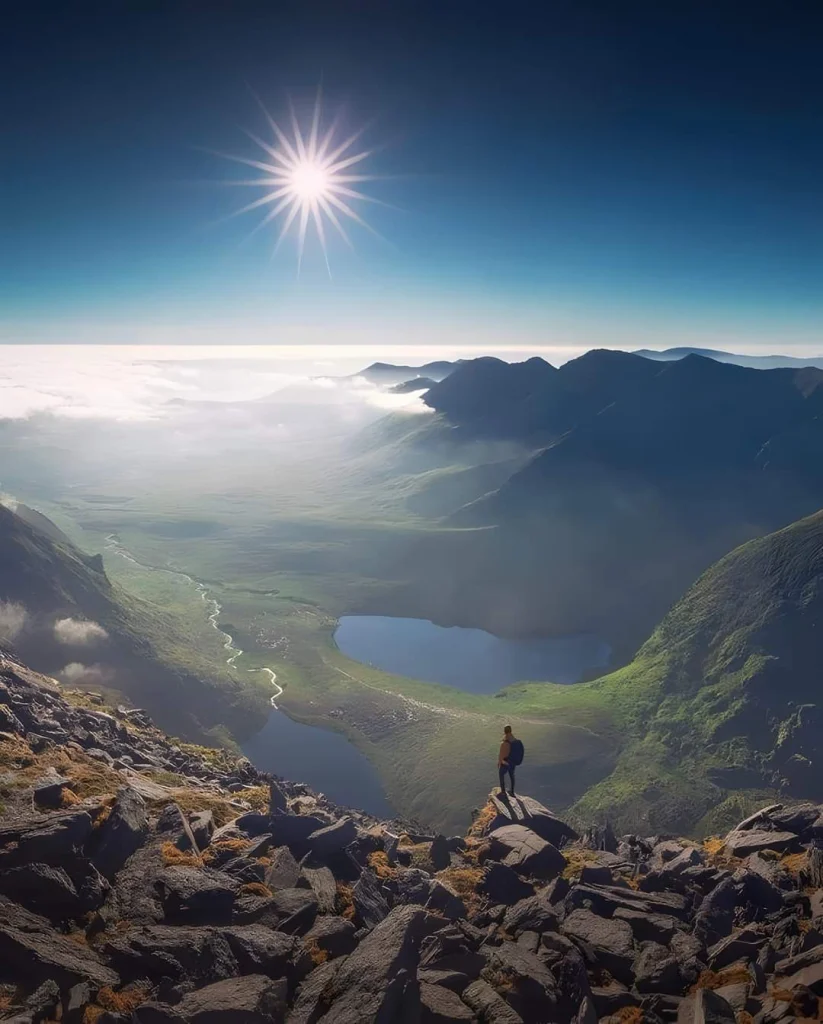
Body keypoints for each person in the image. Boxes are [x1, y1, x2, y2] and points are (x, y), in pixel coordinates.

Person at [498, 725, 518, 797]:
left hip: (505, 762)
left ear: (504, 731)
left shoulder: (504, 743)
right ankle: (512, 791)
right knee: (511, 775)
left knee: (501, 774)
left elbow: (501, 754)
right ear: (511, 731)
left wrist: (499, 762)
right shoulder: (515, 740)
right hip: (512, 761)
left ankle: (503, 792)